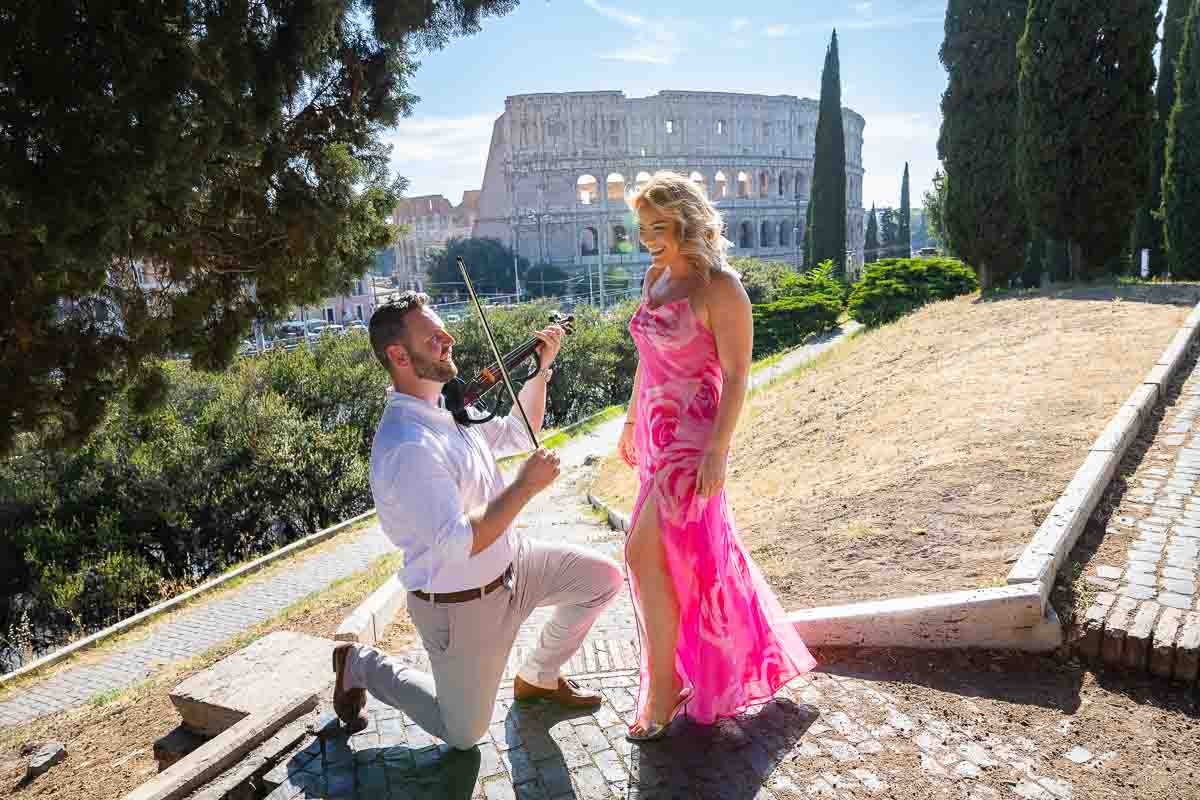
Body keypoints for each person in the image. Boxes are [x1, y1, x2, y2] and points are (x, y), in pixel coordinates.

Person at [330, 291, 624, 749]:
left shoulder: (447, 408)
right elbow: (457, 542)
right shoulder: (409, 445)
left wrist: (541, 369)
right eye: (433, 337)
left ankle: (539, 675)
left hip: (515, 565)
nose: (449, 338)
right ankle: (359, 664)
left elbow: (515, 432)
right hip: (462, 604)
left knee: (603, 578)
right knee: (463, 734)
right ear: (397, 354)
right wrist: (524, 487)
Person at [617, 171, 817, 742]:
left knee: (641, 552)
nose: (650, 239)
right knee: (685, 559)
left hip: (693, 440)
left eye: (661, 227)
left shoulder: (721, 288)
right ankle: (682, 674)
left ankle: (665, 685)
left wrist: (719, 451)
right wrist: (631, 421)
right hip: (656, 437)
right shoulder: (655, 277)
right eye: (644, 229)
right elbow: (647, 359)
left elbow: (735, 374)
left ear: (689, 222)